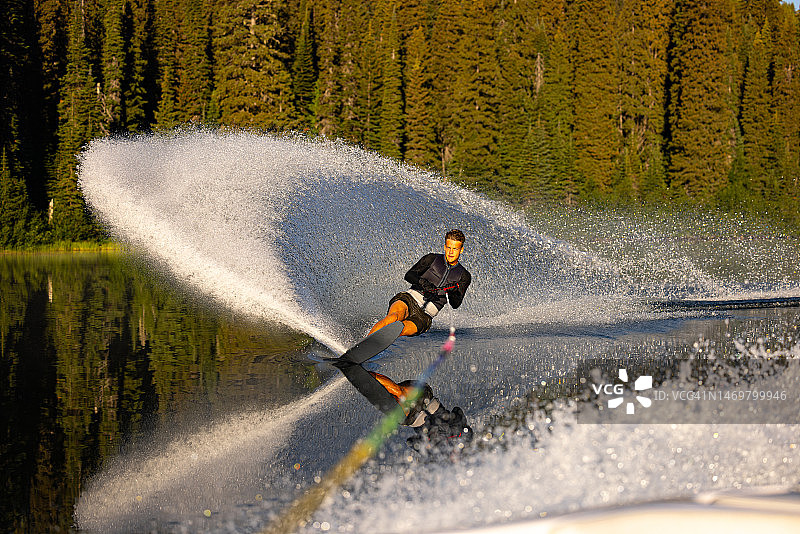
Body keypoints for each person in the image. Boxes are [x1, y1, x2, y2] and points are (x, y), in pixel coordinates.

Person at [368, 229, 472, 337]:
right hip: (409, 299)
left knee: (400, 329)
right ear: (445, 247)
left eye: (455, 249)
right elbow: (409, 275)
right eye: (449, 247)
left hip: (425, 316)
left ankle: (374, 345)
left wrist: (453, 292)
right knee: (393, 317)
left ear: (461, 250)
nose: (451, 252)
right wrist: (423, 283)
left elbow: (456, 304)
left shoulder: (464, 276)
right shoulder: (432, 259)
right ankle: (363, 345)